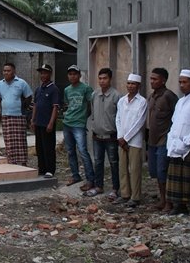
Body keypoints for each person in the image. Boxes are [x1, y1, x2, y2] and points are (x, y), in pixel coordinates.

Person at [166, 69, 190, 215]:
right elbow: (175, 122)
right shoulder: (180, 102)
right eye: (180, 82)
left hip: (188, 145)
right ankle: (179, 205)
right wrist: (172, 139)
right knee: (176, 177)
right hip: (176, 144)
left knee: (189, 176)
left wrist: (188, 141)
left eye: (185, 82)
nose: (182, 85)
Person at [147, 68, 178, 212]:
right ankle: (162, 199)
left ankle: (168, 202)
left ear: (163, 80)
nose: (152, 81)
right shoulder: (152, 97)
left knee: (162, 171)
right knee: (154, 171)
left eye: (155, 79)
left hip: (164, 139)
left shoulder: (169, 96)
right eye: (151, 79)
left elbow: (177, 117)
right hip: (152, 140)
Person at [114, 73, 147, 208]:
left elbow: (139, 122)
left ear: (139, 86)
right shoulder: (122, 101)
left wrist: (126, 138)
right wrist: (120, 137)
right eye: (128, 83)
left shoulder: (142, 101)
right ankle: (125, 194)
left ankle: (135, 197)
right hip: (121, 140)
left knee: (134, 169)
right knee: (122, 168)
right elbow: (118, 119)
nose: (130, 86)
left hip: (134, 141)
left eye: (133, 84)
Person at [88, 68, 121, 198]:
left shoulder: (116, 96)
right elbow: (93, 112)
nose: (102, 81)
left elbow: (119, 116)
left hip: (111, 136)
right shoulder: (94, 95)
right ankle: (99, 186)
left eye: (105, 78)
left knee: (114, 163)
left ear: (110, 79)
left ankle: (115, 188)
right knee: (98, 161)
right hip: (97, 136)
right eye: (100, 78)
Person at [62, 65, 95, 190]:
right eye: (70, 74)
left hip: (79, 125)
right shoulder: (67, 90)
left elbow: (90, 105)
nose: (72, 76)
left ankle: (90, 179)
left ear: (79, 75)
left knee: (83, 151)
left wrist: (83, 118)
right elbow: (67, 105)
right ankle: (75, 175)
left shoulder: (86, 88)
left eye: (75, 74)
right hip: (67, 123)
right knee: (70, 151)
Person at [0, 62, 33, 166]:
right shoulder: (0, 84)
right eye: (4, 71)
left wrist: (22, 107)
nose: (6, 73)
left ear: (14, 71)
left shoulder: (21, 83)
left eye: (8, 71)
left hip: (19, 116)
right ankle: (12, 162)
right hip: (6, 116)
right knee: (9, 140)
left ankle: (23, 162)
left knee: (20, 140)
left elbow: (29, 96)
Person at [30, 63, 61, 177]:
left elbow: (55, 107)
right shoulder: (38, 89)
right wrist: (33, 120)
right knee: (39, 147)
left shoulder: (54, 89)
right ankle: (42, 168)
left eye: (45, 73)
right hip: (38, 122)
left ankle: (50, 170)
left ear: (50, 74)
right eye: (41, 73)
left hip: (47, 123)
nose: (43, 75)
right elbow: (35, 105)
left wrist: (51, 123)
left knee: (48, 147)